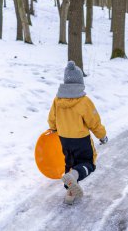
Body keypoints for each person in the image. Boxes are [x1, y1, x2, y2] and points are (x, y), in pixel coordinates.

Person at [48, 61, 108, 205]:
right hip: (81, 139)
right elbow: (94, 122)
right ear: (80, 82)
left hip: (64, 139)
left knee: (70, 164)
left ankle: (70, 193)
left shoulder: (57, 100)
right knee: (88, 163)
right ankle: (73, 177)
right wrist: (102, 136)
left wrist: (54, 129)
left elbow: (52, 118)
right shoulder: (84, 101)